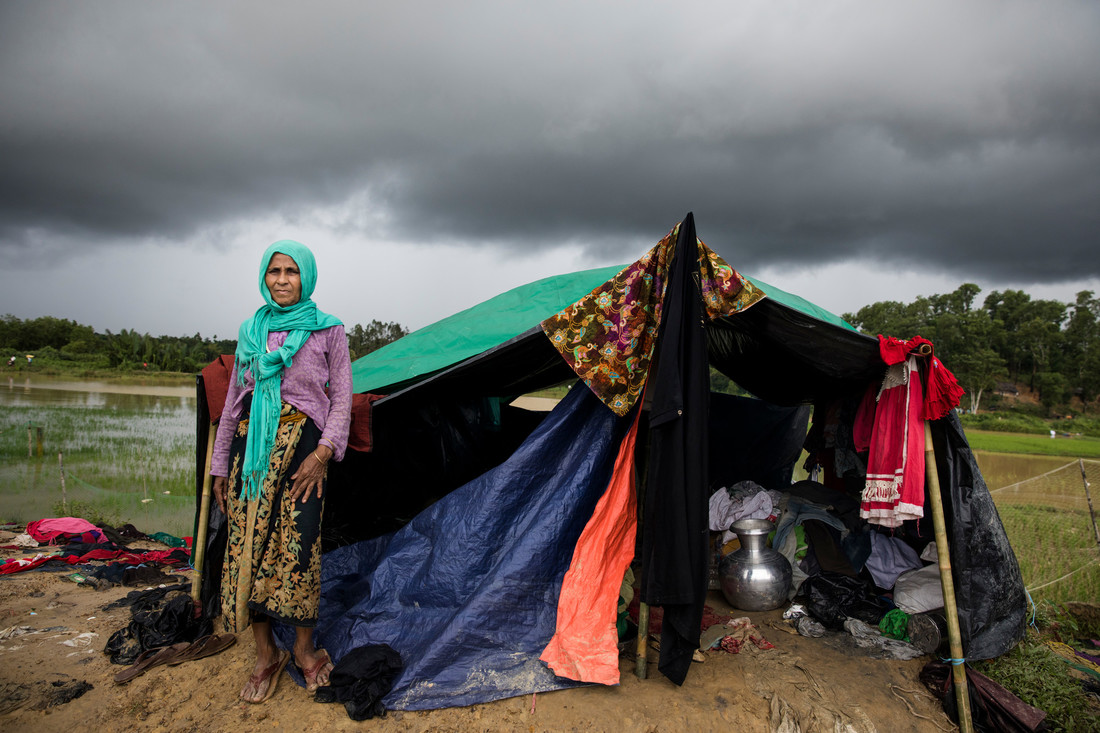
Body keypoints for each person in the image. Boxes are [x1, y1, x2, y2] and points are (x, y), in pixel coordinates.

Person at [210, 240, 352, 703]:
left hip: (303, 455)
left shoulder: (328, 331)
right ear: (264, 276)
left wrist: (323, 453)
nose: (282, 280)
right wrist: (219, 468)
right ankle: (265, 653)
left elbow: (343, 399)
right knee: (247, 545)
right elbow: (233, 403)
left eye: (291, 271)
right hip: (250, 457)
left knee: (300, 547)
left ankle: (306, 652)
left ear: (306, 277)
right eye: (275, 271)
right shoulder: (251, 331)